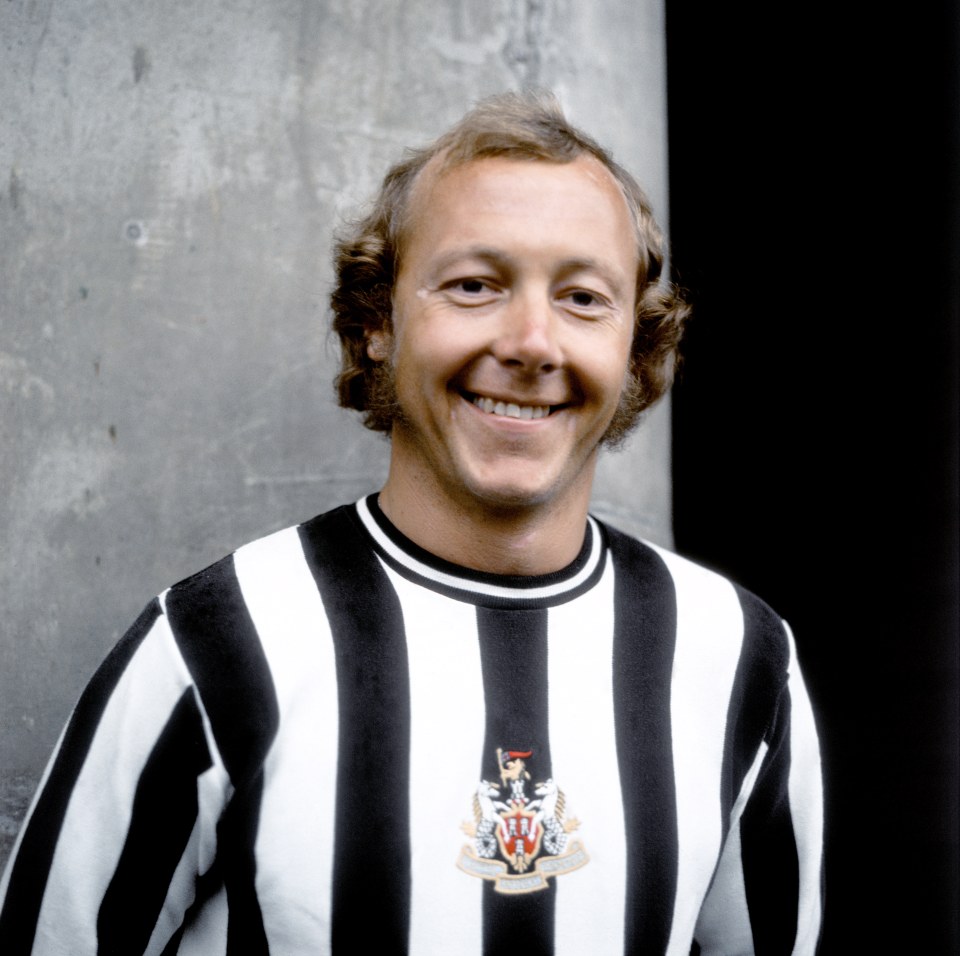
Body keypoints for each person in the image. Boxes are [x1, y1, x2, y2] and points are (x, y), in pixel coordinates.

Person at [0, 90, 823, 955]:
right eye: (475, 285)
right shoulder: (213, 644)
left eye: (584, 298)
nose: (534, 341)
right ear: (377, 323)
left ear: (636, 347)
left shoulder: (739, 659)